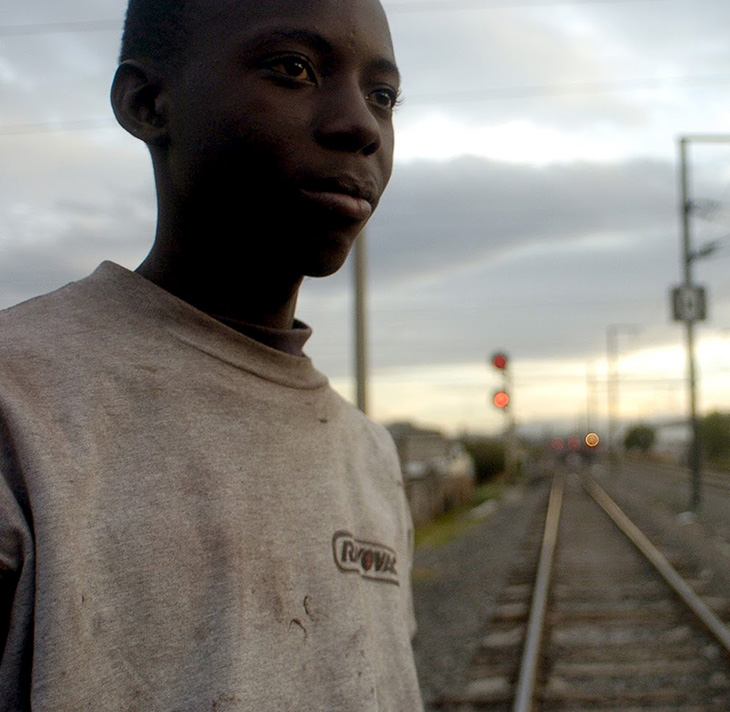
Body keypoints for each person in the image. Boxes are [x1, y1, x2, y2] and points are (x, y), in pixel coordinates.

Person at [0, 0, 423, 709]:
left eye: (382, 97)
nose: (360, 127)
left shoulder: (368, 457)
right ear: (147, 102)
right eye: (294, 69)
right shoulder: (22, 407)